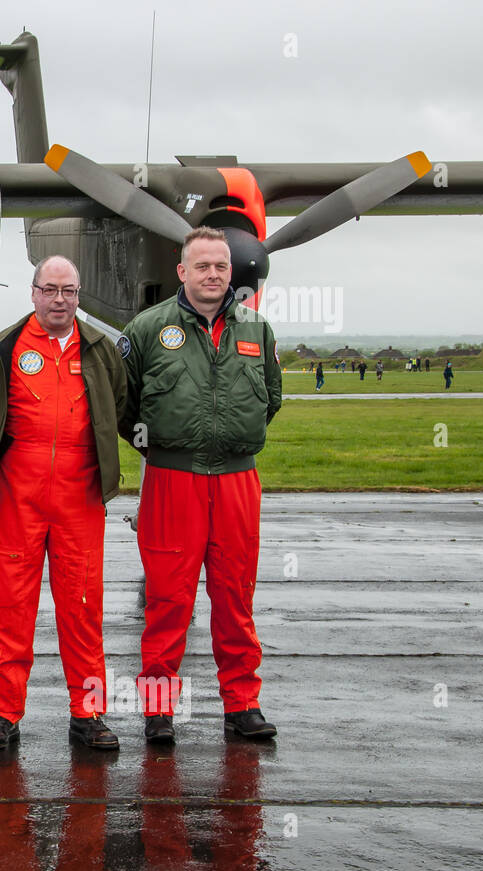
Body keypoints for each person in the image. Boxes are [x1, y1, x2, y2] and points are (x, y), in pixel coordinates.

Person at [118, 227, 282, 744]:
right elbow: (125, 407)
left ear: (231, 273)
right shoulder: (146, 329)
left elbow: (271, 399)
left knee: (236, 596)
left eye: (221, 267)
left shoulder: (258, 328)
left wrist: (232, 438)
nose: (213, 275)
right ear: (182, 272)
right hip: (172, 480)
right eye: (202, 266)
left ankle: (242, 703)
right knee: (168, 598)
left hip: (236, 479)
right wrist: (162, 448)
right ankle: (159, 709)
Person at [0, 255, 128, 751]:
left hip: (80, 495)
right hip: (16, 495)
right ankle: (5, 713)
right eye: (50, 289)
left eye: (69, 291)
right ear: (33, 292)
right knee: (7, 607)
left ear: (79, 295)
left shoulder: (100, 350)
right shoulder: (3, 349)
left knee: (83, 607)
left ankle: (88, 712)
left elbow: (117, 405)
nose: (60, 299)